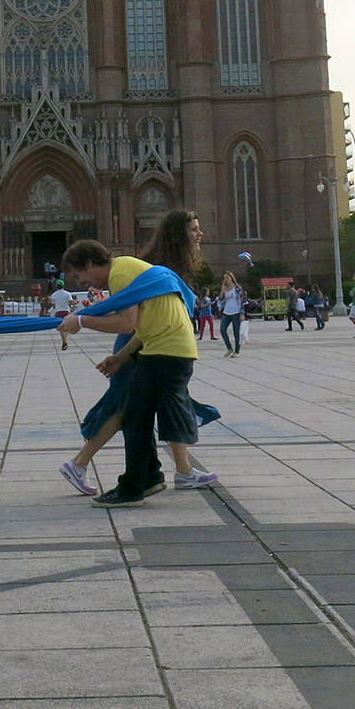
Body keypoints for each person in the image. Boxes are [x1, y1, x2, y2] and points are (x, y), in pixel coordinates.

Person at [56, 210, 218, 497]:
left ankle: (136, 480)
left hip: (160, 348)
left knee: (133, 412)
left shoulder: (124, 271)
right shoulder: (133, 268)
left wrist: (81, 320)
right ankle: (164, 474)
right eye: (194, 229)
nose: (199, 234)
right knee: (136, 409)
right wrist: (120, 356)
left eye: (82, 278)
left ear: (92, 263)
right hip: (159, 346)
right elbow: (140, 324)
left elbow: (130, 323)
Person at [218, 273, 245, 357]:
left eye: (227, 277)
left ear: (231, 277)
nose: (226, 279)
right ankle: (229, 348)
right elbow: (220, 298)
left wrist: (242, 313)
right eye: (224, 277)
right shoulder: (225, 288)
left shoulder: (237, 287)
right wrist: (222, 289)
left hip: (236, 312)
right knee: (222, 329)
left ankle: (237, 351)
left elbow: (243, 300)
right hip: (227, 311)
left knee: (236, 332)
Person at [50, 280, 74, 350]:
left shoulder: (53, 295)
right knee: (65, 328)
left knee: (61, 328)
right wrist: (76, 302)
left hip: (59, 312)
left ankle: (64, 342)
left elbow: (53, 305)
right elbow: (71, 302)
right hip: (66, 311)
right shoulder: (67, 293)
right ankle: (65, 341)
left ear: (56, 286)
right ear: (63, 286)